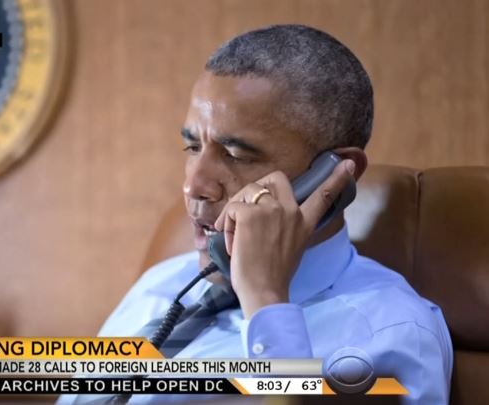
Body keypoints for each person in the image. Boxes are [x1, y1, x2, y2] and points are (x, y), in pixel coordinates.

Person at [60, 24, 452, 405]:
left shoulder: (389, 335)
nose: (194, 186)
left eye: (237, 155)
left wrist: (265, 299)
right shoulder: (164, 284)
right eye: (193, 147)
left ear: (333, 176)